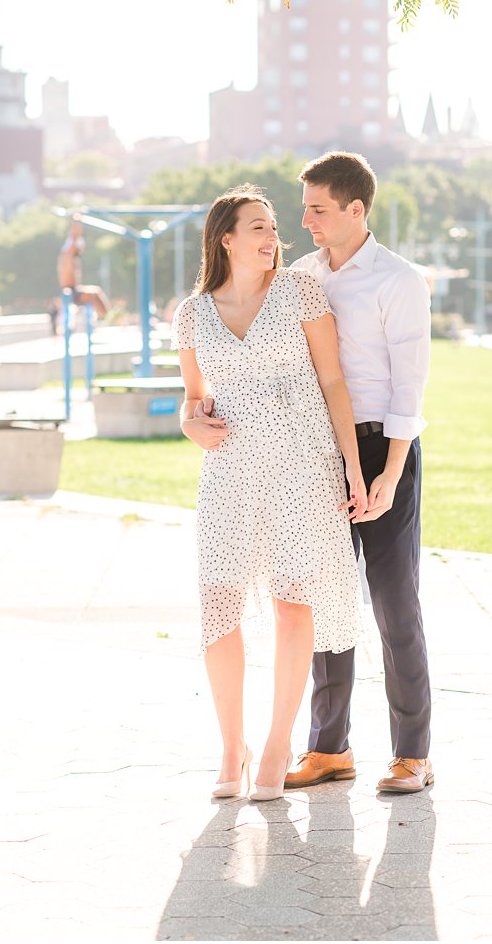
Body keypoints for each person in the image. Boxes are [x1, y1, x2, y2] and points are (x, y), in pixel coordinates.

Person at [173, 184, 368, 802]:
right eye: (257, 227)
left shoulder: (299, 292)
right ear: (225, 238)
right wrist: (188, 423)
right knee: (219, 607)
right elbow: (191, 398)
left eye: (273, 227)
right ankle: (233, 746)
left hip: (301, 463)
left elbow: (334, 380)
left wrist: (353, 468)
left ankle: (280, 742)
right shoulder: (193, 312)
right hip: (229, 471)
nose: (272, 237)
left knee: (292, 601)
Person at [281, 150, 435, 795]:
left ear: (355, 209)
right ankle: (329, 749)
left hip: (384, 452)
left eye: (318, 209)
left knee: (394, 603)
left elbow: (410, 390)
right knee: (327, 601)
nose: (307, 221)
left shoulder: (398, 281)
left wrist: (388, 475)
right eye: (306, 208)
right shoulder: (298, 277)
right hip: (318, 453)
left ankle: (413, 755)